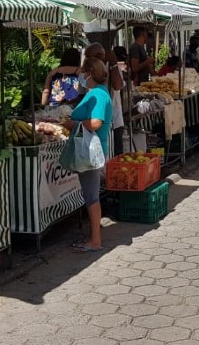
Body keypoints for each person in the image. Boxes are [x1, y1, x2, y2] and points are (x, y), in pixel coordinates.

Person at [61, 57, 112, 253]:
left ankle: (95, 241)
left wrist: (74, 124)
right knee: (91, 194)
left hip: (90, 150)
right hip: (91, 148)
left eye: (83, 72)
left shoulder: (98, 94)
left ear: (89, 73)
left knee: (91, 196)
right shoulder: (98, 92)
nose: (81, 75)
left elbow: (97, 122)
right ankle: (94, 237)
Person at [85, 42, 124, 156]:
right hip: (94, 120)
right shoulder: (88, 71)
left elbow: (117, 85)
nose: (87, 61)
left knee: (115, 157)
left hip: (114, 121)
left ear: (99, 57)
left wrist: (113, 64)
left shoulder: (112, 68)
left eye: (89, 57)